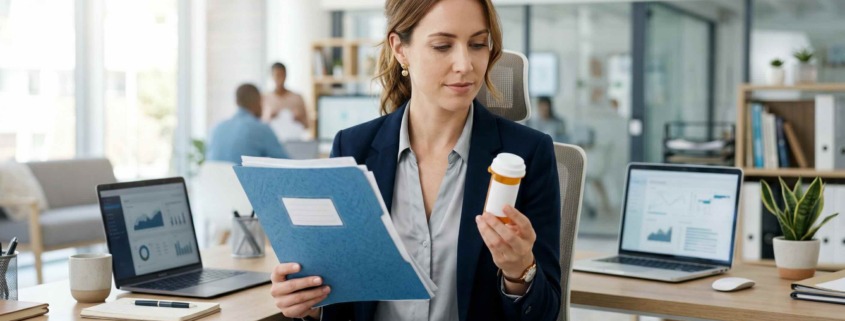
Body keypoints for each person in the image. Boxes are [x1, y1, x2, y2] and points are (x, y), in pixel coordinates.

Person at [270, 0, 561, 320]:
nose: (465, 64)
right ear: (400, 49)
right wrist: (309, 305)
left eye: (477, 44)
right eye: (442, 46)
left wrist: (520, 272)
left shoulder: (529, 154)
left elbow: (545, 312)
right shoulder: (353, 149)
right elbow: (340, 300)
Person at [207, 84, 289, 164]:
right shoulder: (261, 129)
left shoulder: (216, 128)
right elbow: (287, 164)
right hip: (243, 178)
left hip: (216, 178)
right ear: (258, 102)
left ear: (236, 102)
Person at [263, 62, 309, 140]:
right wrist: (269, 117)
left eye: (282, 75)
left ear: (286, 75)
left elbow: (307, 125)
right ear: (272, 76)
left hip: (293, 141)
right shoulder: (265, 98)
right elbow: (258, 126)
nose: (280, 79)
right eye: (277, 75)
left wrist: (299, 119)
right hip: (272, 141)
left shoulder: (297, 98)